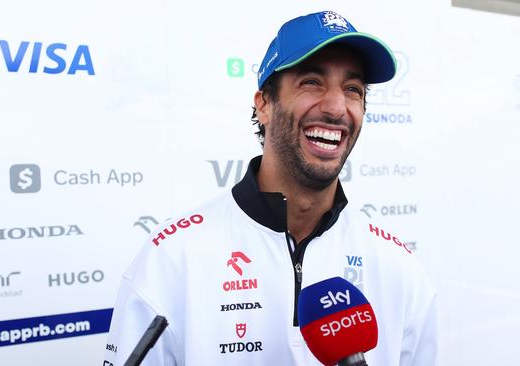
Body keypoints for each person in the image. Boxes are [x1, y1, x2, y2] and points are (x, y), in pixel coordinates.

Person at [102, 10, 438, 366]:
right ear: (263, 103)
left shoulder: (399, 268)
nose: (337, 107)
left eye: (352, 89)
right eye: (312, 82)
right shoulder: (171, 259)